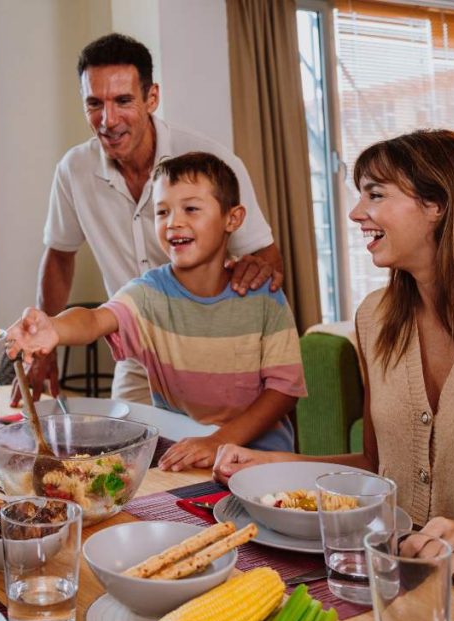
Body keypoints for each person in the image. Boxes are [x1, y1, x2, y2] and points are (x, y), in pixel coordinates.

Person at [213, 129, 454, 583]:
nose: (355, 212)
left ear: (437, 205)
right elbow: (373, 467)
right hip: (387, 575)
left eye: (376, 194)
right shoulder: (376, 319)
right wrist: (271, 465)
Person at [18, 32, 283, 407]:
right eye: (94, 103)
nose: (108, 120)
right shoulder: (74, 170)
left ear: (151, 98)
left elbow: (267, 260)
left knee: (218, 456)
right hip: (138, 353)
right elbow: (60, 257)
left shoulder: (212, 160)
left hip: (215, 351)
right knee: (124, 454)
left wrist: (252, 276)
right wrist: (42, 348)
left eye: (123, 100)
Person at [7, 152, 305, 471]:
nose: (174, 222)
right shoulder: (148, 293)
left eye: (191, 209)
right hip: (182, 454)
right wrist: (54, 327)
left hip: (259, 459)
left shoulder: (264, 297)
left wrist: (220, 440)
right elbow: (94, 320)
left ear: (232, 219)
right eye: (162, 212)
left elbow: (283, 391)